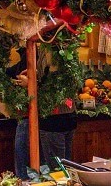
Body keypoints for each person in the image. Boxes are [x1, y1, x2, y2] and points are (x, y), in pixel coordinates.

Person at [6, 46, 78, 175]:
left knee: (57, 172)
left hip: (53, 119)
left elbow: (52, 88)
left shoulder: (51, 51)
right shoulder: (65, 49)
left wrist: (30, 83)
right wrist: (33, 75)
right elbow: (50, 79)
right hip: (67, 116)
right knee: (64, 169)